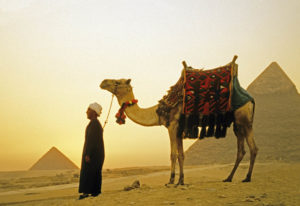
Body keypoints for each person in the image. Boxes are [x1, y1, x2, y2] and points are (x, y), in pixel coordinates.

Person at [79, 102, 105, 200]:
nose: (86, 112)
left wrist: (88, 154)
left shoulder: (94, 124)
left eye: (88, 110)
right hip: (95, 153)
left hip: (93, 154)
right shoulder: (94, 123)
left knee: (89, 171)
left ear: (93, 112)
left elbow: (92, 140)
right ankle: (95, 192)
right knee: (93, 172)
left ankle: (87, 193)